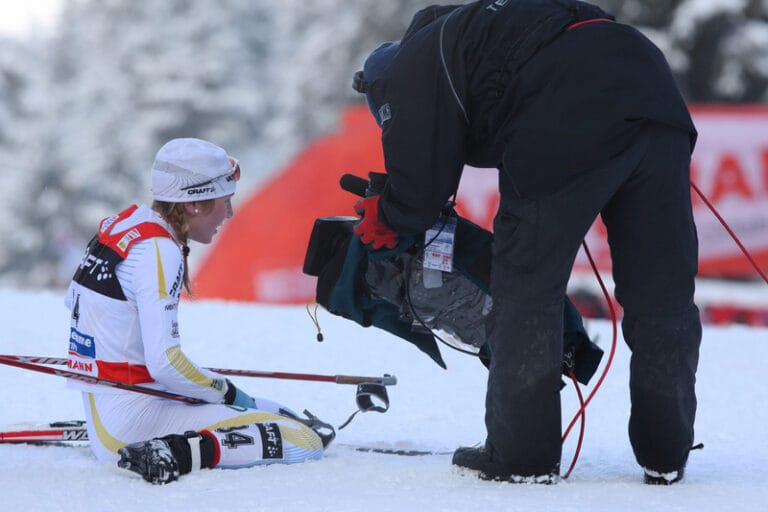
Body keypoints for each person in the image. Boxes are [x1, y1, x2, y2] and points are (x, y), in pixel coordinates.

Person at [352, 0, 701, 484]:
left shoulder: (409, 63)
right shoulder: (484, 32)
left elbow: (419, 189)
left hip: (563, 108)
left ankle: (521, 456)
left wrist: (386, 213)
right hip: (654, 94)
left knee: (525, 289)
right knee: (662, 292)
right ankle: (666, 452)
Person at [65, 138, 330, 484]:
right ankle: (180, 452)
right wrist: (226, 391)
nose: (230, 213)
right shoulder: (160, 251)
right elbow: (166, 363)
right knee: (305, 440)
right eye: (225, 200)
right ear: (194, 204)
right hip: (130, 426)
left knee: (280, 413)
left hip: (116, 408)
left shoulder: (125, 225)